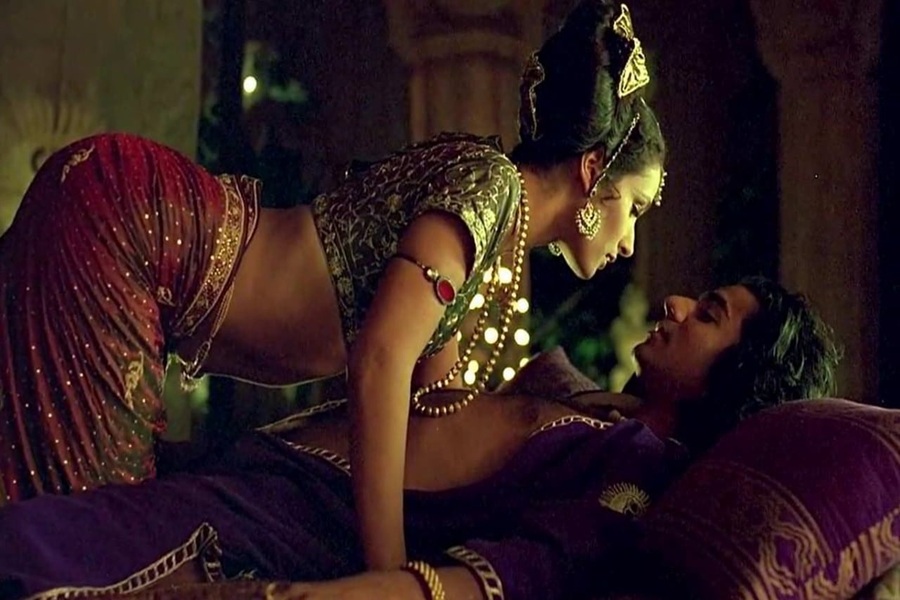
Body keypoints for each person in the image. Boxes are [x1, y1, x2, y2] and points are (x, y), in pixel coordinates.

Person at [0, 0, 666, 571]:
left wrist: (581, 404)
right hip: (129, 229)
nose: (630, 241)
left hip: (136, 232)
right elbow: (380, 362)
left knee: (75, 540)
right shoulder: (487, 186)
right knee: (84, 546)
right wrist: (387, 576)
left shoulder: (489, 220)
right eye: (635, 207)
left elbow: (431, 408)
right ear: (592, 173)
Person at [0, 277, 840, 600]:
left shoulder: (637, 473)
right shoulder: (595, 407)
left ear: (736, 375)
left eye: (710, 315)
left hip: (269, 528)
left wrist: (335, 595)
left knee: (33, 549)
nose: (677, 304)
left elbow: (527, 570)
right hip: (254, 469)